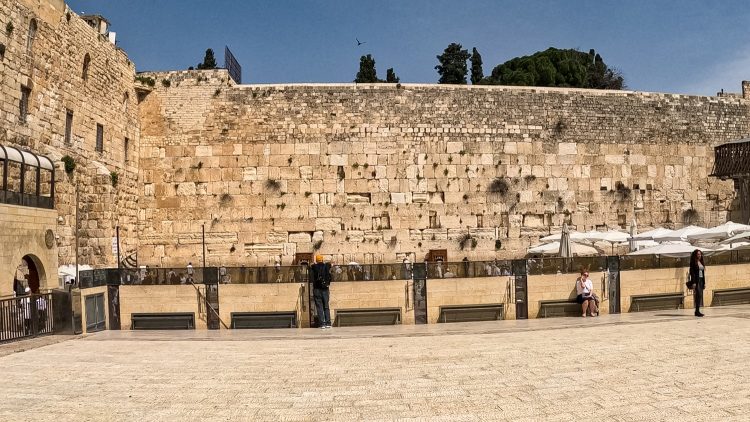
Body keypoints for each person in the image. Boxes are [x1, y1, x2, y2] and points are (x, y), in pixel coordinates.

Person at [309, 255, 332, 329]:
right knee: (326, 306)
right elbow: (330, 264)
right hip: (325, 289)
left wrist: (314, 263)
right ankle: (328, 323)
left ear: (317, 260)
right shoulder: (326, 266)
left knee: (319, 307)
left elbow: (310, 266)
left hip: (317, 289)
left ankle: (322, 323)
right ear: (322, 260)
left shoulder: (314, 267)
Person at [689, 249, 706, 317]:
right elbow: (692, 273)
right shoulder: (693, 262)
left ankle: (697, 310)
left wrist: (704, 283)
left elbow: (703, 273)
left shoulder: (701, 262)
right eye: (698, 254)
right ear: (695, 255)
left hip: (701, 280)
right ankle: (697, 311)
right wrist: (693, 282)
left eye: (700, 254)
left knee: (700, 295)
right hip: (697, 280)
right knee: (698, 295)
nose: (699, 255)